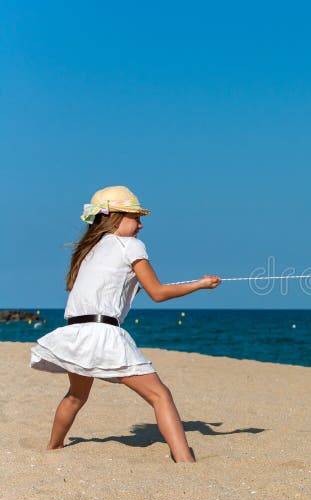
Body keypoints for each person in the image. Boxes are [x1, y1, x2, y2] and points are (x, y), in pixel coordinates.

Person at [30, 185, 221, 463]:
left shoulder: (90, 249)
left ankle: (53, 448)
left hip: (75, 333)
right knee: (160, 396)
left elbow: (118, 286)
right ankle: (184, 461)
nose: (141, 224)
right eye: (136, 217)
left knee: (76, 396)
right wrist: (200, 285)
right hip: (103, 333)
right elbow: (157, 293)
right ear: (116, 217)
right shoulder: (131, 245)